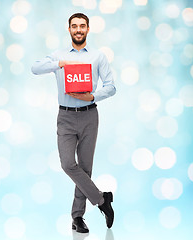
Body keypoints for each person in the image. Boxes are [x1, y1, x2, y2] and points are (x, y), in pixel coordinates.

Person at [31, 13, 116, 233]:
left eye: (82, 26)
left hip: (89, 114)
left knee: (85, 168)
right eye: (74, 26)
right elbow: (35, 68)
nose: (78, 29)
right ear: (69, 29)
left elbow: (111, 86)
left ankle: (77, 218)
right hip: (66, 117)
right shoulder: (58, 55)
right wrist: (60, 64)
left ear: (88, 29)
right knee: (68, 164)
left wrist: (93, 96)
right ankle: (101, 199)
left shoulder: (98, 56)